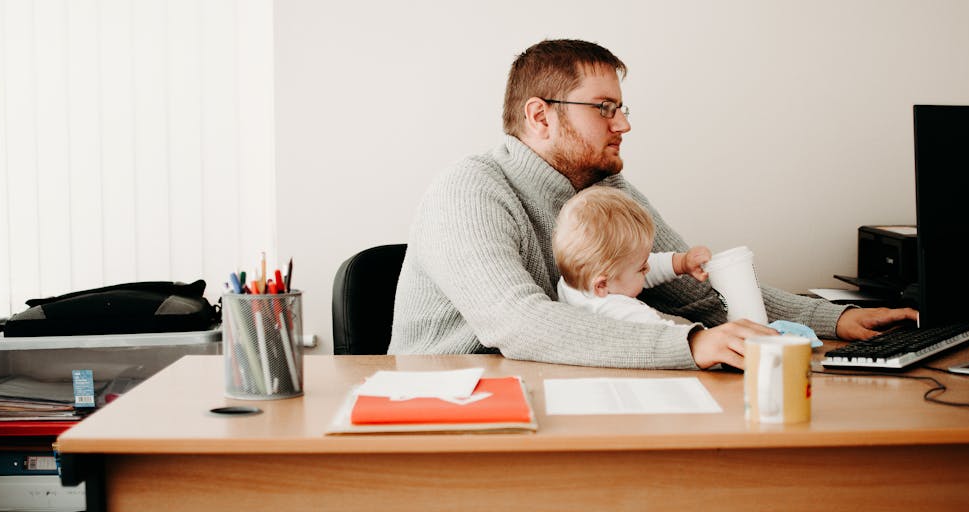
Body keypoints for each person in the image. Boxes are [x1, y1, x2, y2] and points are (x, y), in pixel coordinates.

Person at [388, 38, 917, 369]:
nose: (624, 124)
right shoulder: (469, 190)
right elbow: (518, 324)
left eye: (621, 108)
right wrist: (689, 346)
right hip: (452, 416)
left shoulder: (609, 193)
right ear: (540, 117)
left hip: (560, 390)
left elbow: (698, 294)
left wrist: (836, 320)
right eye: (604, 108)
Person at [553, 186, 710, 331]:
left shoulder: (573, 283)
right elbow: (667, 337)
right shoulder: (619, 311)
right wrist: (706, 337)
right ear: (601, 285)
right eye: (641, 268)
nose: (648, 269)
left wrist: (681, 263)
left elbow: (633, 270)